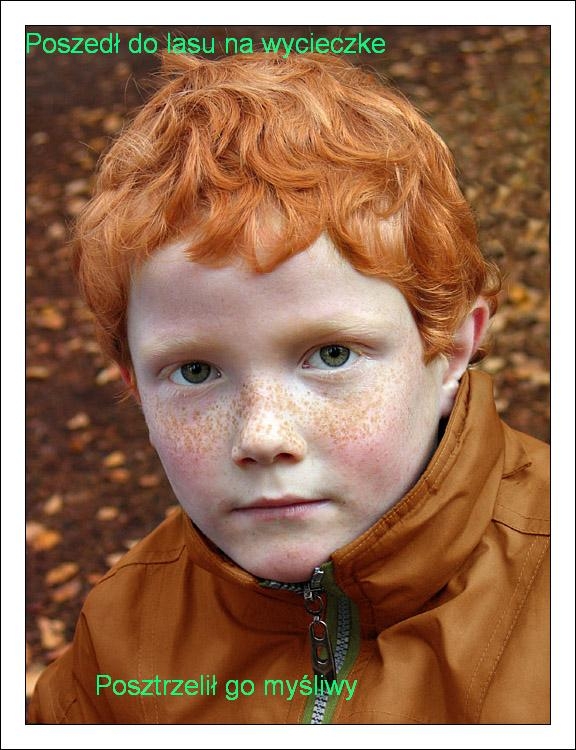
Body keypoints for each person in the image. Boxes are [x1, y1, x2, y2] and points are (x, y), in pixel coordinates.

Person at [29, 52, 549, 724]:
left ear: (449, 350)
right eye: (196, 371)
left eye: (331, 356)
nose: (263, 436)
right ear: (134, 384)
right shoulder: (117, 644)